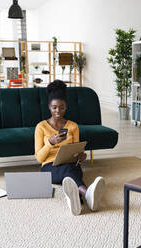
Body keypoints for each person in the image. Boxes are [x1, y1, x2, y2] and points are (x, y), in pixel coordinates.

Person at [34, 80, 105, 216]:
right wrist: (50, 143)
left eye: (61, 107)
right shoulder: (41, 127)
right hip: (49, 167)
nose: (58, 111)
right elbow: (39, 158)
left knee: (71, 171)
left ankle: (74, 199)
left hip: (71, 164)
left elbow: (76, 151)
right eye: (54, 107)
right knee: (70, 171)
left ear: (66, 107)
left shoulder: (73, 126)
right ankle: (86, 193)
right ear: (49, 107)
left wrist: (81, 156)